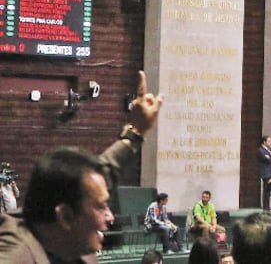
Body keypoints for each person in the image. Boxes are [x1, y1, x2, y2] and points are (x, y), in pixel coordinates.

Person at [0, 70, 163, 263]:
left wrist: (136, 131)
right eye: (101, 207)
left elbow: (104, 170)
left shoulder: (68, 237)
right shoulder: (16, 258)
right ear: (66, 216)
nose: (110, 217)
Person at [257, 136, 271, 210]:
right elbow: (268, 160)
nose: (270, 143)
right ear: (264, 142)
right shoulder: (260, 150)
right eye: (269, 141)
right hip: (266, 173)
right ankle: (266, 208)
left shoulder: (270, 149)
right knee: (267, 191)